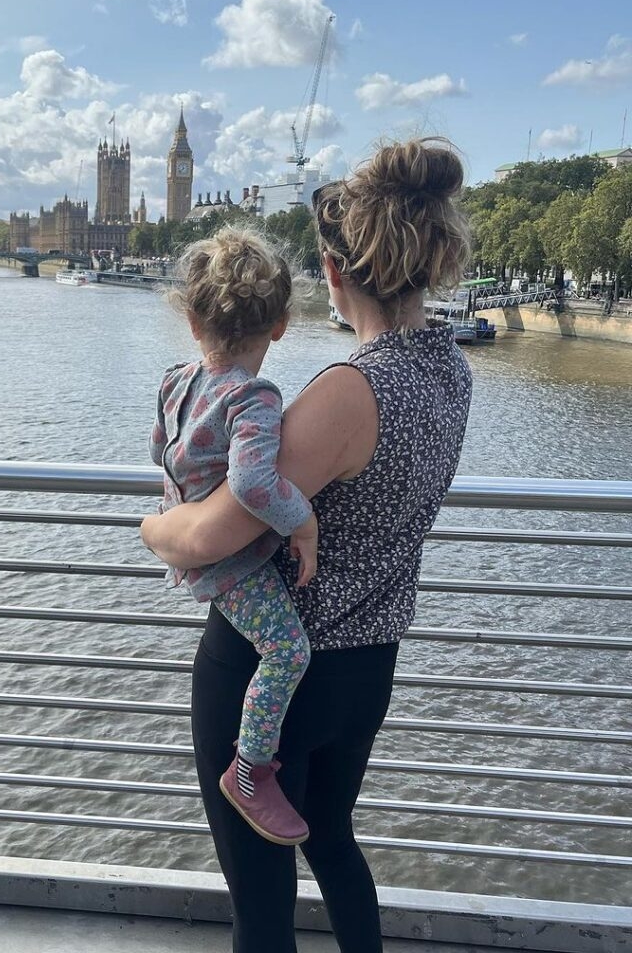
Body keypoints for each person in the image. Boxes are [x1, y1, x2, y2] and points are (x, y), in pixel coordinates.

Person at [141, 137, 474, 953]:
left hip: (273, 673)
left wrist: (150, 526)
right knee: (332, 842)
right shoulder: (450, 371)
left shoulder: (346, 391)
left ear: (331, 274)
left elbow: (210, 533)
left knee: (260, 901)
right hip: (368, 668)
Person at [149, 226, 320, 845]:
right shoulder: (253, 397)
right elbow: (251, 483)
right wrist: (301, 520)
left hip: (190, 547)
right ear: (279, 325)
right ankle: (250, 770)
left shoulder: (175, 381)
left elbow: (160, 454)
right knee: (288, 651)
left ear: (193, 320)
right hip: (233, 566)